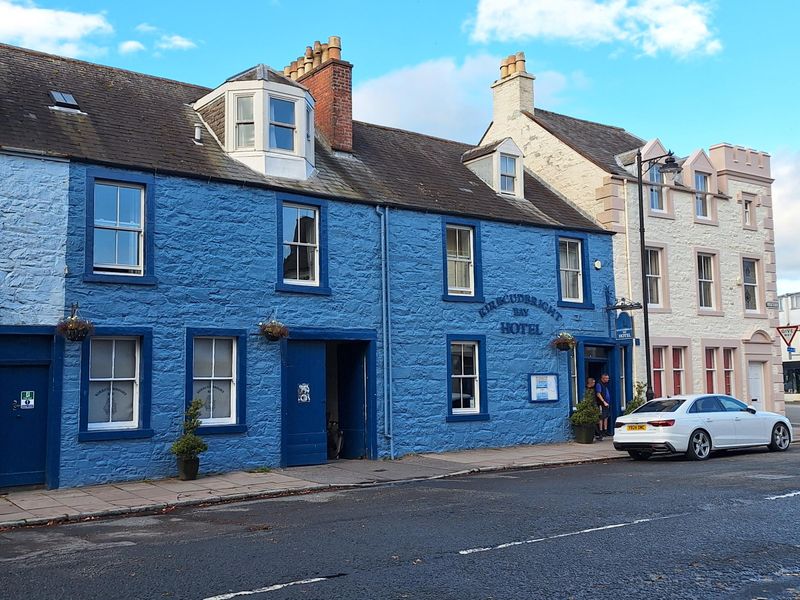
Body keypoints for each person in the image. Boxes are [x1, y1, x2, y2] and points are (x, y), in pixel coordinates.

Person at [595, 373, 612, 440]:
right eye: (606, 378)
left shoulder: (605, 385)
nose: (608, 379)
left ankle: (605, 431)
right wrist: (604, 402)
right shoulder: (599, 384)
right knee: (601, 418)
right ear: (603, 378)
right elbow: (598, 394)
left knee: (606, 417)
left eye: (608, 378)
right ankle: (600, 432)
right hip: (601, 404)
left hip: (607, 404)